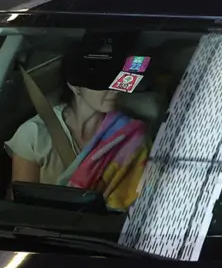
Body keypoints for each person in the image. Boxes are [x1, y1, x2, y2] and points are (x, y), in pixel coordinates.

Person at [5, 33, 151, 209]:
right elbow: (22, 209)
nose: (115, 88)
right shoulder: (34, 134)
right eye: (103, 78)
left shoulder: (131, 136)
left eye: (120, 77)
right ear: (75, 85)